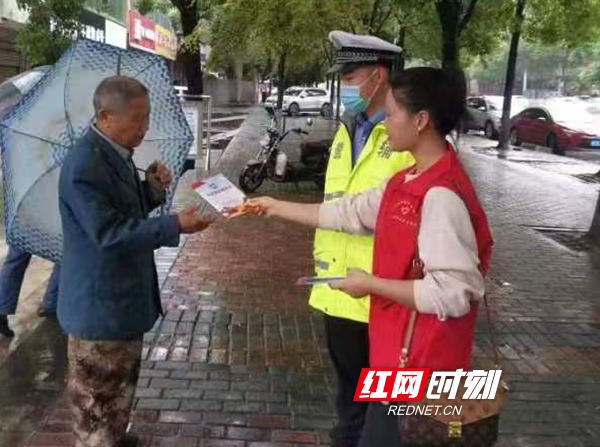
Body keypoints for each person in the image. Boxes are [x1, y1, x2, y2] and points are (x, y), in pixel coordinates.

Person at [245, 67, 493, 446]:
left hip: (422, 368)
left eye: (392, 113)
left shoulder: (441, 194)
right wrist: (274, 207)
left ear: (421, 120)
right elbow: (347, 213)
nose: (386, 122)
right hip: (394, 357)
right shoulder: (405, 180)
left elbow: (454, 292)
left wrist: (370, 284)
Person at [58, 75, 212, 447]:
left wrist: (152, 191)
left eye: (147, 119)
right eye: (137, 119)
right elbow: (109, 233)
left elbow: (126, 211)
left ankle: (114, 435)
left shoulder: (114, 153)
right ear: (107, 116)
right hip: (100, 312)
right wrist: (175, 223)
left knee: (116, 400)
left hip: (122, 304)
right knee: (96, 412)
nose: (144, 128)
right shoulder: (85, 166)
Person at [306, 30, 413, 447]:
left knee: (389, 411)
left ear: (379, 75)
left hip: (386, 296)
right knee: (350, 400)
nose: (345, 85)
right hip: (339, 291)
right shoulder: (347, 131)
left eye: (352, 76)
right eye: (343, 77)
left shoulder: (407, 138)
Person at [0, 246, 60, 338]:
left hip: (26, 231)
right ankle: (51, 303)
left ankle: (1, 311)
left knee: (15, 258)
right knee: (63, 255)